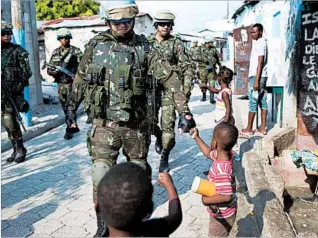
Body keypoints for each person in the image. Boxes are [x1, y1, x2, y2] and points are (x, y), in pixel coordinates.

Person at [69, 1, 195, 235]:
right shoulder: (96, 45)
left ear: (134, 20)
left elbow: (170, 79)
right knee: (100, 173)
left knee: (138, 172)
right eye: (117, 22)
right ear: (108, 21)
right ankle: (103, 227)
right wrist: (70, 111)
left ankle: (135, 221)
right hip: (104, 125)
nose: (122, 26)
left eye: (127, 21)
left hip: (136, 127)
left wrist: (184, 111)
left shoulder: (146, 49)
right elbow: (81, 78)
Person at [148, 9, 195, 172]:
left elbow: (187, 67)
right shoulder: (147, 43)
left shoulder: (176, 44)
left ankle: (165, 156)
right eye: (161, 24)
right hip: (150, 90)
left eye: (168, 24)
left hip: (170, 91)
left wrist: (186, 87)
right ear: (156, 25)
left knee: (168, 128)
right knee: (149, 123)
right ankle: (158, 136)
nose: (165, 27)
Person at [97, 162, 182, 237]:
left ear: (97, 207)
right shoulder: (156, 229)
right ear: (150, 208)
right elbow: (176, 215)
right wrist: (169, 184)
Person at [190, 123, 238, 237]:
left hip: (222, 215)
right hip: (222, 211)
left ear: (215, 143)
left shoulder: (221, 169)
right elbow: (208, 153)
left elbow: (227, 196)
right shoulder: (226, 154)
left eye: (213, 137)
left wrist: (206, 200)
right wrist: (196, 137)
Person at [1, 21, 32, 164]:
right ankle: (15, 148)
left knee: (11, 120)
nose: (7, 36)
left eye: (9, 33)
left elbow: (27, 72)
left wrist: (16, 86)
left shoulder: (18, 51)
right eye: (3, 34)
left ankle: (20, 148)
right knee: (6, 123)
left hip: (12, 93)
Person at [47, 28, 83, 140]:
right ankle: (71, 124)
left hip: (73, 84)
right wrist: (54, 72)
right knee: (65, 107)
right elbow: (50, 68)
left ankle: (70, 127)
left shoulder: (76, 51)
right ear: (59, 39)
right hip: (61, 85)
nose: (65, 40)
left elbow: (83, 67)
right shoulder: (55, 52)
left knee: (71, 107)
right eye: (63, 38)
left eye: (67, 38)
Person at [240, 23, 268, 137]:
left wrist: (256, 80)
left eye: (254, 32)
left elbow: (260, 62)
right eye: (251, 32)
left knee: (253, 101)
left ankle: (249, 128)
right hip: (261, 76)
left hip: (258, 77)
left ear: (260, 32)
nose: (252, 34)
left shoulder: (261, 43)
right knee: (262, 101)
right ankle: (262, 128)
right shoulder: (261, 42)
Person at [204, 38, 222, 104]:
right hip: (203, 68)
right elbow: (195, 57)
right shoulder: (201, 49)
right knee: (204, 82)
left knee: (212, 82)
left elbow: (217, 58)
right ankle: (204, 96)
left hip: (211, 68)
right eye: (210, 42)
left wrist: (219, 65)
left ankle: (211, 98)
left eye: (212, 42)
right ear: (207, 43)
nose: (212, 43)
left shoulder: (214, 49)